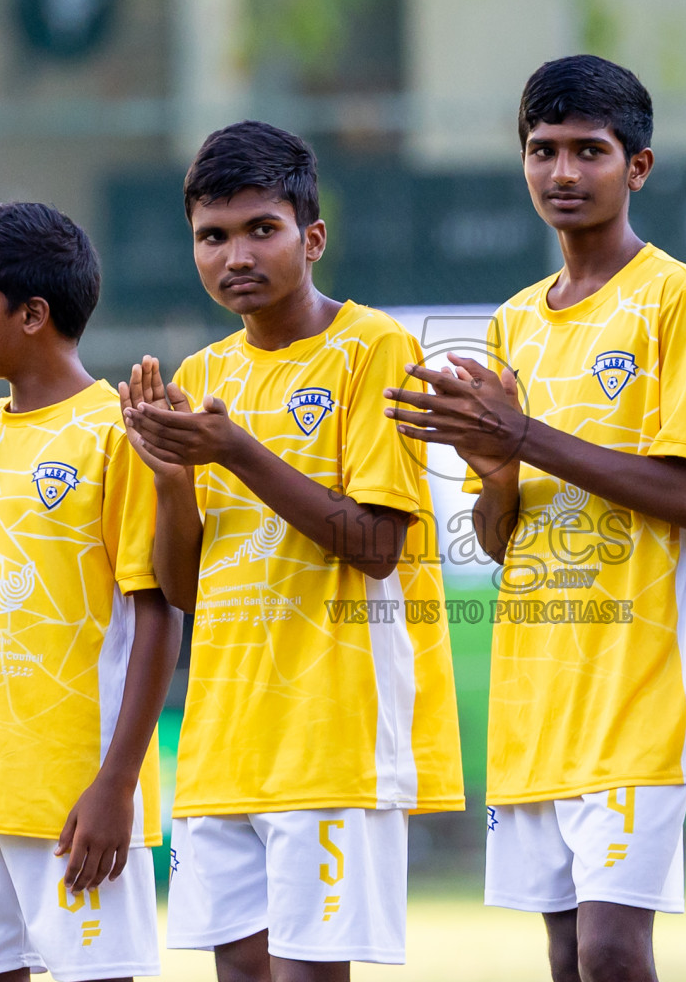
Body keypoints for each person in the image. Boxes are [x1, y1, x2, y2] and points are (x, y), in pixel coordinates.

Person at [384, 54, 686, 982]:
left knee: (616, 951)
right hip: (536, 694)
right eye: (544, 151)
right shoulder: (512, 323)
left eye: (591, 151)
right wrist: (494, 470)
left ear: (639, 167)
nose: (564, 173)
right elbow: (500, 540)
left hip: (636, 683)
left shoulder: (677, 297)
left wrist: (522, 435)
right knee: (568, 953)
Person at [122, 120, 463, 981]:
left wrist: (237, 453)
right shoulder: (204, 374)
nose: (236, 254)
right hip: (222, 742)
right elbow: (183, 586)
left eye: (260, 230)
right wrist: (169, 477)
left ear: (311, 238)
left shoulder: (372, 347)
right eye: (213, 236)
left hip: (331, 735)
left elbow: (379, 545)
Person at [0, 201, 180, 982]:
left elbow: (157, 618)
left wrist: (117, 785)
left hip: (75, 800)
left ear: (32, 315)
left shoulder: (117, 429)